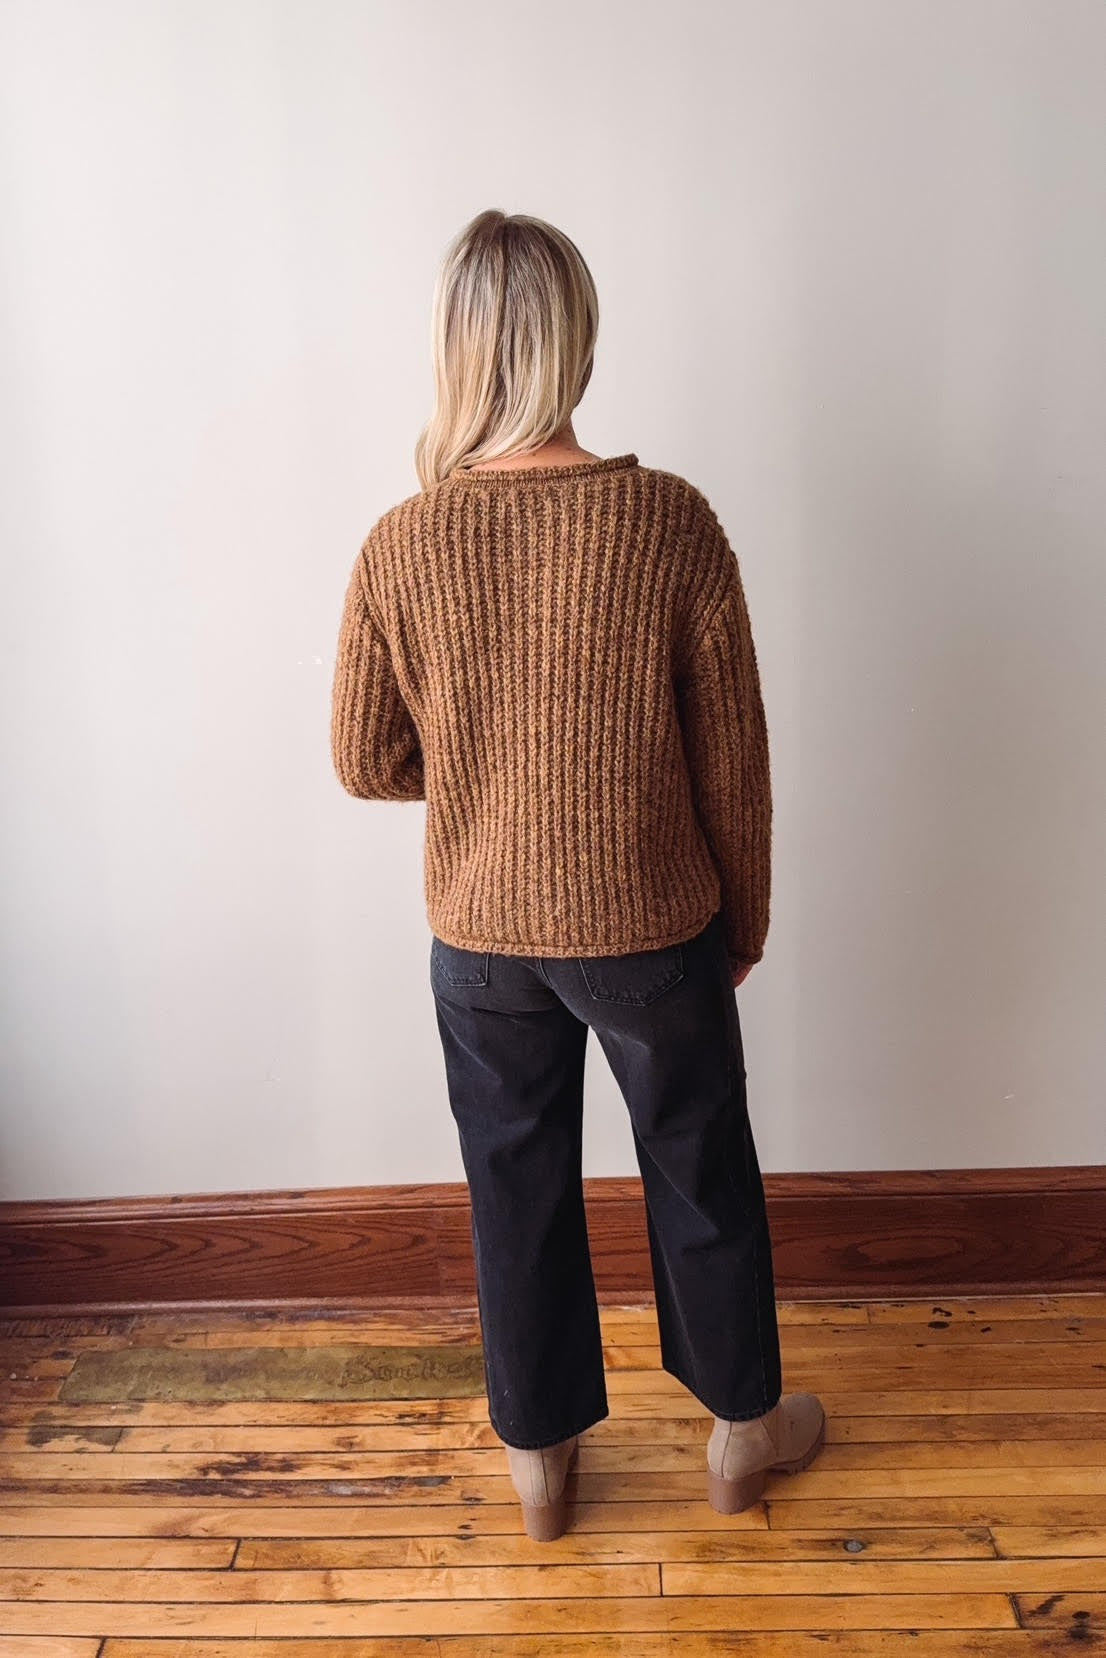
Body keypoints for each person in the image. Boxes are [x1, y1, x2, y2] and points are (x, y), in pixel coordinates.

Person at [330, 207, 825, 1542]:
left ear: (458, 352)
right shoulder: (667, 521)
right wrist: (743, 920)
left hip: (480, 937)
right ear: (577, 339)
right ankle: (739, 1430)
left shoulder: (401, 541)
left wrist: (494, 778)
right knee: (698, 1160)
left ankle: (540, 1464)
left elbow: (366, 758)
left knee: (514, 1178)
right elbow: (735, 769)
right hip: (651, 923)